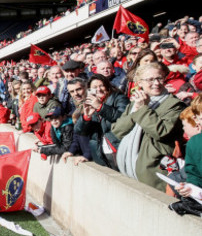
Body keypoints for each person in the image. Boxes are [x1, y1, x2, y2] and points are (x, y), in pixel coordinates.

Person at [111, 61, 186, 190]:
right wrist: (136, 109)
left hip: (155, 171)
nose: (156, 83)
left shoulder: (174, 105)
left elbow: (161, 132)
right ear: (140, 83)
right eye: (150, 79)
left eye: (159, 78)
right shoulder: (136, 103)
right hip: (131, 169)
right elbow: (118, 131)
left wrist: (142, 110)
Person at [74, 74, 129, 168]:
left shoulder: (119, 98)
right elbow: (79, 130)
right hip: (101, 154)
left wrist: (100, 107)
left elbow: (123, 117)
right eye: (95, 87)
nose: (99, 89)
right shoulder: (89, 103)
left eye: (101, 86)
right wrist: (86, 117)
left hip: (119, 149)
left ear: (107, 86)